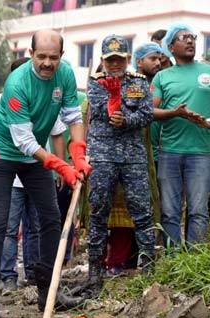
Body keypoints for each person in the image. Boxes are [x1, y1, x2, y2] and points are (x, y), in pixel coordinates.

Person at [0, 30, 90, 318]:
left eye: (53, 57)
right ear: (30, 54)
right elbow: (24, 141)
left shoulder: (64, 75)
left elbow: (72, 118)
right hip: (3, 152)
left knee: (51, 217)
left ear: (61, 57)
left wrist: (77, 153)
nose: (47, 63)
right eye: (41, 56)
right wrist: (60, 165)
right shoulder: (17, 83)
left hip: (33, 156)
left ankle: (47, 291)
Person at [85, 35, 155, 298]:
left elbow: (146, 114)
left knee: (142, 212)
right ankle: (95, 270)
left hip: (133, 157)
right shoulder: (96, 84)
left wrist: (126, 119)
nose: (115, 64)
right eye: (110, 59)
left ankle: (149, 269)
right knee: (99, 211)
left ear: (127, 59)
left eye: (119, 59)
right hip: (103, 154)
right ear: (103, 60)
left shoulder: (139, 82)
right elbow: (102, 110)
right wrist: (119, 113)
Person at [152, 23, 210, 249]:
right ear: (170, 46)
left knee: (198, 210)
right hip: (169, 151)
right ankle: (173, 260)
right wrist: (174, 113)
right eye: (183, 38)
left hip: (201, 152)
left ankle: (195, 259)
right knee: (169, 211)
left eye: (192, 37)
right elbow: (151, 110)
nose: (190, 41)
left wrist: (209, 121)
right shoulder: (162, 77)